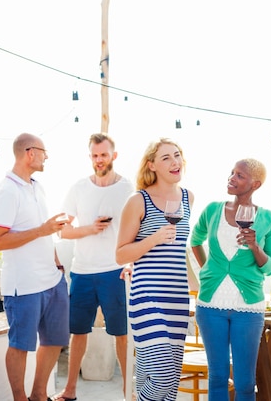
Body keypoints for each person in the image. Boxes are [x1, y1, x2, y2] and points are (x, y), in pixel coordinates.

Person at [53, 133, 134, 401]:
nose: (99, 160)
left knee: (121, 334)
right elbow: (62, 231)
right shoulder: (78, 188)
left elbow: (136, 231)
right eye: (95, 155)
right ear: (90, 157)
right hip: (83, 272)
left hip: (116, 271)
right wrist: (90, 228)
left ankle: (127, 392)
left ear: (114, 155)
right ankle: (70, 390)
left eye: (104, 154)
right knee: (78, 333)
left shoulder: (127, 188)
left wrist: (132, 262)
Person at [0, 133, 70, 401]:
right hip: (23, 285)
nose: (47, 157)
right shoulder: (6, 191)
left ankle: (38, 396)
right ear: (30, 153)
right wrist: (42, 229)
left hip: (52, 280)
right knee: (20, 346)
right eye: (44, 152)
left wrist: (58, 265)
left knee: (55, 340)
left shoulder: (38, 186)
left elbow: (44, 233)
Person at [190, 158, 271, 400]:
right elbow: (195, 240)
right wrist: (207, 268)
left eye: (240, 175)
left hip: (248, 309)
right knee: (217, 376)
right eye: (232, 172)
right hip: (210, 306)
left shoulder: (268, 218)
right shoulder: (212, 210)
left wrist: (254, 246)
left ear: (256, 184)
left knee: (245, 382)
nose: (232, 177)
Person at [116, 138, 194, 401]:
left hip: (177, 297)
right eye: (166, 158)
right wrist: (154, 238)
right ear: (151, 165)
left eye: (177, 155)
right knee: (162, 377)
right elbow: (120, 254)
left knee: (170, 386)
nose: (175, 162)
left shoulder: (188, 198)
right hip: (147, 296)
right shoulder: (138, 201)